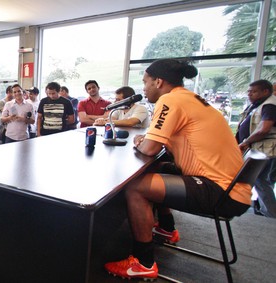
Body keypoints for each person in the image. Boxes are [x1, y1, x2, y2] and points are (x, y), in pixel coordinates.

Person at [104, 59, 250, 280]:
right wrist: (150, 139)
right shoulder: (190, 98)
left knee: (136, 187)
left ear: (159, 81)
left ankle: (143, 262)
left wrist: (142, 142)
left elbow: (150, 148)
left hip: (221, 191)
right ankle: (166, 228)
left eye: (146, 82)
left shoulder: (171, 100)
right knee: (160, 169)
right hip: (233, 186)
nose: (144, 88)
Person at [236, 79, 276, 217]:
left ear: (265, 91)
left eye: (254, 92)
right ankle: (265, 211)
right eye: (249, 92)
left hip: (264, 149)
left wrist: (246, 141)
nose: (250, 94)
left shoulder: (270, 105)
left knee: (260, 180)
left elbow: (264, 129)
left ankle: (271, 214)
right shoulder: (261, 104)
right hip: (259, 148)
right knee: (259, 180)